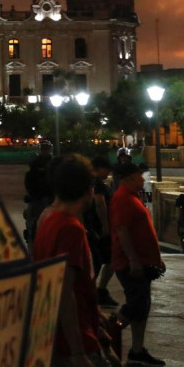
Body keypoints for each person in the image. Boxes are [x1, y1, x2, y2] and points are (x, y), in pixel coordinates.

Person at [32, 154, 107, 366]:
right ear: (88, 189)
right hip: (73, 341)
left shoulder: (47, 217)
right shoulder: (70, 229)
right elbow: (65, 291)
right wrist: (77, 352)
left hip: (53, 334)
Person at [110, 162, 166, 366]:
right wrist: (134, 260)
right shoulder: (123, 198)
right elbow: (122, 231)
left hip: (143, 262)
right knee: (136, 305)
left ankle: (137, 350)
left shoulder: (132, 197)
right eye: (139, 176)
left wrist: (156, 260)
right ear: (129, 178)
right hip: (131, 264)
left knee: (142, 307)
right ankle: (110, 331)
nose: (143, 179)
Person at [84, 156, 119, 307]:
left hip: (95, 228)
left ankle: (97, 291)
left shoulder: (92, 182)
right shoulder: (96, 183)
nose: (109, 173)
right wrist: (105, 225)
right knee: (105, 260)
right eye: (107, 170)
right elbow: (100, 204)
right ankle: (95, 292)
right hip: (98, 229)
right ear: (100, 168)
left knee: (104, 260)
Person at [24, 140, 54, 244]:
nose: (45, 151)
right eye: (43, 149)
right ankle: (32, 236)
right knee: (32, 218)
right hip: (37, 196)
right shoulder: (35, 163)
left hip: (50, 196)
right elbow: (29, 180)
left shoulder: (53, 163)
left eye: (47, 149)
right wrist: (31, 193)